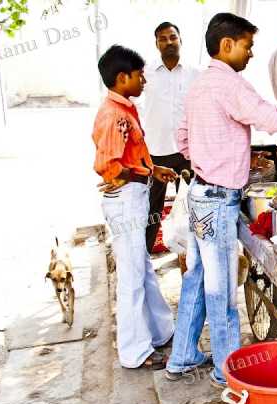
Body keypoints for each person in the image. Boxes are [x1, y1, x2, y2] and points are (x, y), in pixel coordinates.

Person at [165, 12, 277, 387]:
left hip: (201, 190)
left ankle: (183, 355)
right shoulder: (228, 83)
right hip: (218, 198)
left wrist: (210, 157)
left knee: (197, 278)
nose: (251, 53)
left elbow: (182, 138)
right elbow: (268, 118)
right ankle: (228, 370)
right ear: (227, 45)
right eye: (247, 46)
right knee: (221, 291)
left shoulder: (199, 84)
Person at [92, 45, 177, 370]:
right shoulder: (114, 115)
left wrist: (152, 170)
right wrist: (141, 173)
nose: (144, 81)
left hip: (133, 195)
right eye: (140, 76)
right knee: (131, 278)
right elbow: (110, 166)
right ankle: (135, 352)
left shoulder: (124, 109)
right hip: (126, 199)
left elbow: (132, 156)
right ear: (121, 77)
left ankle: (160, 331)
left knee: (141, 267)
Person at [140, 22, 201, 254]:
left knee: (192, 208)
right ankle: (144, 259)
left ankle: (193, 258)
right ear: (156, 44)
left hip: (187, 152)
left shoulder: (195, 73)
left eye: (173, 37)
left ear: (180, 40)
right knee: (151, 211)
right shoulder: (145, 73)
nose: (168, 42)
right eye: (163, 39)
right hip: (155, 153)